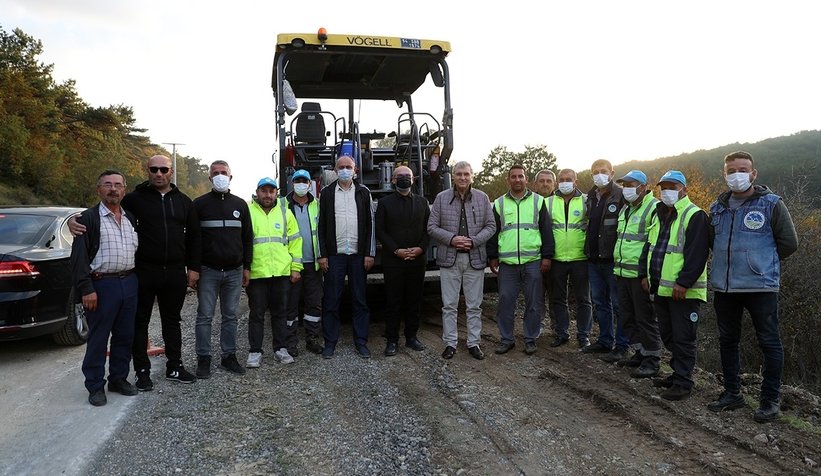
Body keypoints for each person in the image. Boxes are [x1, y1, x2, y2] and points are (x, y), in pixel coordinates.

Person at [69, 154, 201, 390]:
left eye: (163, 169)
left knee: (170, 321)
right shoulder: (134, 200)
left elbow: (194, 236)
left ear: (171, 171)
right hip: (143, 272)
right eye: (154, 169)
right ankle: (141, 372)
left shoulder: (184, 202)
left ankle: (174, 366)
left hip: (171, 272)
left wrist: (193, 268)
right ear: (147, 171)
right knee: (138, 324)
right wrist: (71, 221)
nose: (158, 173)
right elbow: (101, 211)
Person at [706, 151, 798, 422]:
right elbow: (714, 242)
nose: (737, 174)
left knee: (769, 343)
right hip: (725, 287)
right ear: (724, 174)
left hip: (760, 287)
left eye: (742, 169)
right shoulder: (717, 208)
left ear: (753, 173)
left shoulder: (771, 204)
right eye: (731, 170)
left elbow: (789, 243)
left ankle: (769, 400)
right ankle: (732, 394)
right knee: (728, 341)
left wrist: (761, 263)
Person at [70, 170, 139, 406]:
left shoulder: (130, 217)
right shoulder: (88, 219)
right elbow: (78, 259)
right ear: (98, 189)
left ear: (124, 189)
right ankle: (95, 386)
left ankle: (118, 378)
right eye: (108, 185)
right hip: (101, 284)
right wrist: (86, 289)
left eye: (118, 185)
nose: (113, 189)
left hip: (129, 282)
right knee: (98, 338)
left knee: (124, 335)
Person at [641, 170, 709, 401]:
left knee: (683, 337)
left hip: (684, 291)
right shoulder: (659, 214)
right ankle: (676, 373)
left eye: (673, 187)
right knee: (668, 334)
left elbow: (698, 254)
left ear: (684, 190)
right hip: (661, 287)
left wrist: (684, 282)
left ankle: (683, 382)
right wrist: (645, 275)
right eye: (664, 187)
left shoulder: (695, 215)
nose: (667, 191)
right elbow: (651, 247)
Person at [427, 161, 496, 360]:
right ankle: (450, 343)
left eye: (466, 174)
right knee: (449, 304)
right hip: (450, 258)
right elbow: (431, 226)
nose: (462, 178)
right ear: (453, 176)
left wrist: (474, 241)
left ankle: (474, 343)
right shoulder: (441, 198)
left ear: (472, 176)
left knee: (474, 305)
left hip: (474, 258)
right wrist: (451, 239)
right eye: (459, 174)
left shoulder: (482, 198)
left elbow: (491, 226)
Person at [192, 160, 253, 377]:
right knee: (205, 316)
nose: (220, 176)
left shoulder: (240, 205)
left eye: (223, 172)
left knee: (230, 316)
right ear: (210, 177)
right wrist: (193, 269)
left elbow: (247, 238)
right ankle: (204, 359)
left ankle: (229, 357)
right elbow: (193, 239)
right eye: (215, 173)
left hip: (235, 271)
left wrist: (247, 267)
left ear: (230, 177)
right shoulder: (199, 204)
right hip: (208, 270)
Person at [488, 165, 553, 355]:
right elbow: (493, 233)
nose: (517, 180)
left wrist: (547, 257)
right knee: (505, 301)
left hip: (532, 261)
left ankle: (530, 339)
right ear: (508, 180)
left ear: (526, 179)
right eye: (513, 177)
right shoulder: (499, 203)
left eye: (521, 176)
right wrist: (492, 256)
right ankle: (507, 339)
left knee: (533, 303)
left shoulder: (538, 202)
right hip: (507, 264)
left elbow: (546, 231)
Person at [317, 155, 376, 359]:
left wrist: (369, 253)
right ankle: (330, 342)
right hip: (335, 256)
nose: (344, 170)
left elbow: (370, 225)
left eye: (348, 167)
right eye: (340, 167)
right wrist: (322, 255)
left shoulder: (363, 192)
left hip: (358, 256)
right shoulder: (326, 194)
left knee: (360, 299)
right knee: (332, 300)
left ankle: (361, 341)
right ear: (334, 170)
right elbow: (320, 227)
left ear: (355, 169)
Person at [246, 177, 303, 368]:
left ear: (276, 193)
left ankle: (281, 349)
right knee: (257, 314)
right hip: (257, 273)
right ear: (257, 192)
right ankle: (255, 351)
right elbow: (242, 243)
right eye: (264, 191)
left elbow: (296, 242)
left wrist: (296, 268)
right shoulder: (248, 212)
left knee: (280, 313)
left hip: (281, 272)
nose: (268, 195)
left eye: (271, 191)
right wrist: (244, 269)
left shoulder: (285, 213)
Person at [375, 166, 431, 356]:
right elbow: (380, 230)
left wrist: (420, 249)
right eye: (400, 176)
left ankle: (411, 338)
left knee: (414, 301)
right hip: (393, 260)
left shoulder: (423, 203)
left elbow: (428, 230)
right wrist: (396, 250)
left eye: (407, 176)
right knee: (393, 301)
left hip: (417, 260)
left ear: (413, 179)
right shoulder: (384, 203)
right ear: (392, 180)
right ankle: (392, 340)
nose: (404, 179)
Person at [612, 170, 662, 378]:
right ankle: (641, 352)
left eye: (632, 185)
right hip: (623, 271)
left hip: (640, 275)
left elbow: (654, 243)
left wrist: (647, 274)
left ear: (643, 187)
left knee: (645, 318)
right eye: (625, 185)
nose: (627, 189)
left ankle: (652, 359)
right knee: (628, 316)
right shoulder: (626, 209)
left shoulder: (654, 207)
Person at [583, 159, 630, 361]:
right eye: (595, 171)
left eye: (603, 171)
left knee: (619, 305)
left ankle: (622, 346)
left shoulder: (620, 195)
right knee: (600, 303)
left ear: (612, 173)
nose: (599, 174)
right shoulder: (590, 196)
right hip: (594, 259)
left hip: (613, 260)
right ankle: (604, 341)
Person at [546, 169, 593, 349]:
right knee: (558, 299)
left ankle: (584, 335)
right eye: (562, 179)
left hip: (580, 257)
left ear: (576, 181)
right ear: (557, 182)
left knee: (584, 299)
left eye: (569, 179)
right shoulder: (548, 202)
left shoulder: (587, 200)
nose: (565, 182)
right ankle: (562, 333)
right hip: (557, 258)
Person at [284, 169, 324, 355]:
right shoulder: (282, 205)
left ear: (310, 184)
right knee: (290, 304)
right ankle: (290, 341)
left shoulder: (318, 204)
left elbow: (323, 233)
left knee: (313, 303)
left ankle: (312, 338)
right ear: (293, 183)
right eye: (297, 180)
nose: (301, 184)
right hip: (291, 264)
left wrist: (323, 256)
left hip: (313, 263)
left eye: (304, 181)